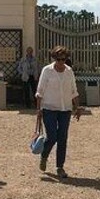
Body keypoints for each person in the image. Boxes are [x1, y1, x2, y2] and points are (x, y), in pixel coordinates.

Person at [35, 45, 83, 179]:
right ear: (54, 58)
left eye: (64, 59)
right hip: (49, 108)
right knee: (52, 137)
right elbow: (40, 91)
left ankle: (60, 167)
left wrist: (77, 107)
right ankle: (44, 155)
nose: (61, 62)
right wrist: (38, 110)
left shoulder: (69, 71)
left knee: (62, 139)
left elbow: (74, 91)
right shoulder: (47, 71)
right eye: (59, 59)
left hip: (65, 109)